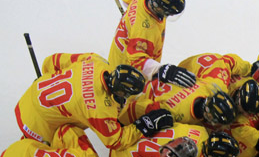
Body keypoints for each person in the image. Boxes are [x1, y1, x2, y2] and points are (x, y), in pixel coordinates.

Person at [15, 53, 174, 148]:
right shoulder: (99, 108)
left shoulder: (95, 61)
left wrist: (47, 82)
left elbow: (51, 61)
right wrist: (144, 125)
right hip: (36, 125)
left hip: (28, 97)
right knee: (36, 153)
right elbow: (115, 141)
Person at [108, 0, 196, 87]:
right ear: (159, 8)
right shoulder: (145, 29)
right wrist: (162, 70)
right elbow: (137, 61)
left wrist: (130, 19)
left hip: (125, 50)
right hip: (125, 73)